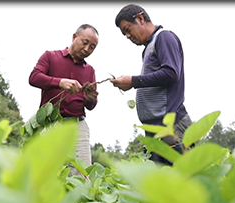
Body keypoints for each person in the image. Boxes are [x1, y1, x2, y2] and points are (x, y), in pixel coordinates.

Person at [110, 4, 193, 166]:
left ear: (140, 18)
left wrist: (133, 81)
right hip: (155, 128)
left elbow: (171, 73)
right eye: (124, 33)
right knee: (162, 185)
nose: (127, 36)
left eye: (128, 29)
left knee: (181, 179)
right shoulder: (148, 48)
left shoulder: (164, 37)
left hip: (170, 125)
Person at [29, 24, 99, 177]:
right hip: (51, 123)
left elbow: (92, 105)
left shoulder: (90, 70)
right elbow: (34, 78)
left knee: (82, 174)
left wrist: (89, 99)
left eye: (92, 47)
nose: (87, 49)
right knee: (45, 172)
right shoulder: (50, 56)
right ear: (75, 37)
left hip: (78, 125)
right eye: (85, 42)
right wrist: (60, 82)